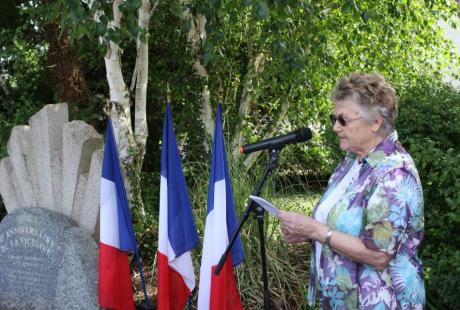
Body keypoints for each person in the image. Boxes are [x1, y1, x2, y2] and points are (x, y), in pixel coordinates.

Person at [278, 72, 425, 309]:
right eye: (333, 118)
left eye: (343, 120)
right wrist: (305, 232)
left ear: (375, 122)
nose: (336, 127)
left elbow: (379, 255)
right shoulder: (350, 162)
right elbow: (339, 228)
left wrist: (317, 231)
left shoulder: (394, 173)